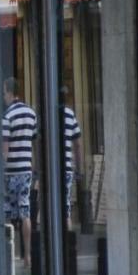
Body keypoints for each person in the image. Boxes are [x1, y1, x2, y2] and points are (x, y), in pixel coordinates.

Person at [2, 78, 39, 269]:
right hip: (26, 169)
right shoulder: (31, 114)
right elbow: (35, 142)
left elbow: (5, 146)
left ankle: (10, 256)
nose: (3, 97)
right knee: (25, 212)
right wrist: (36, 169)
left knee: (8, 212)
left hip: (10, 171)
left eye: (4, 93)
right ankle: (27, 256)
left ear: (9, 92)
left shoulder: (7, 116)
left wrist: (2, 167)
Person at [61, 87, 82, 226]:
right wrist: (79, 168)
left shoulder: (46, 112)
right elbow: (78, 144)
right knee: (65, 207)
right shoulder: (70, 115)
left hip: (50, 169)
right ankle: (66, 242)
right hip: (67, 168)